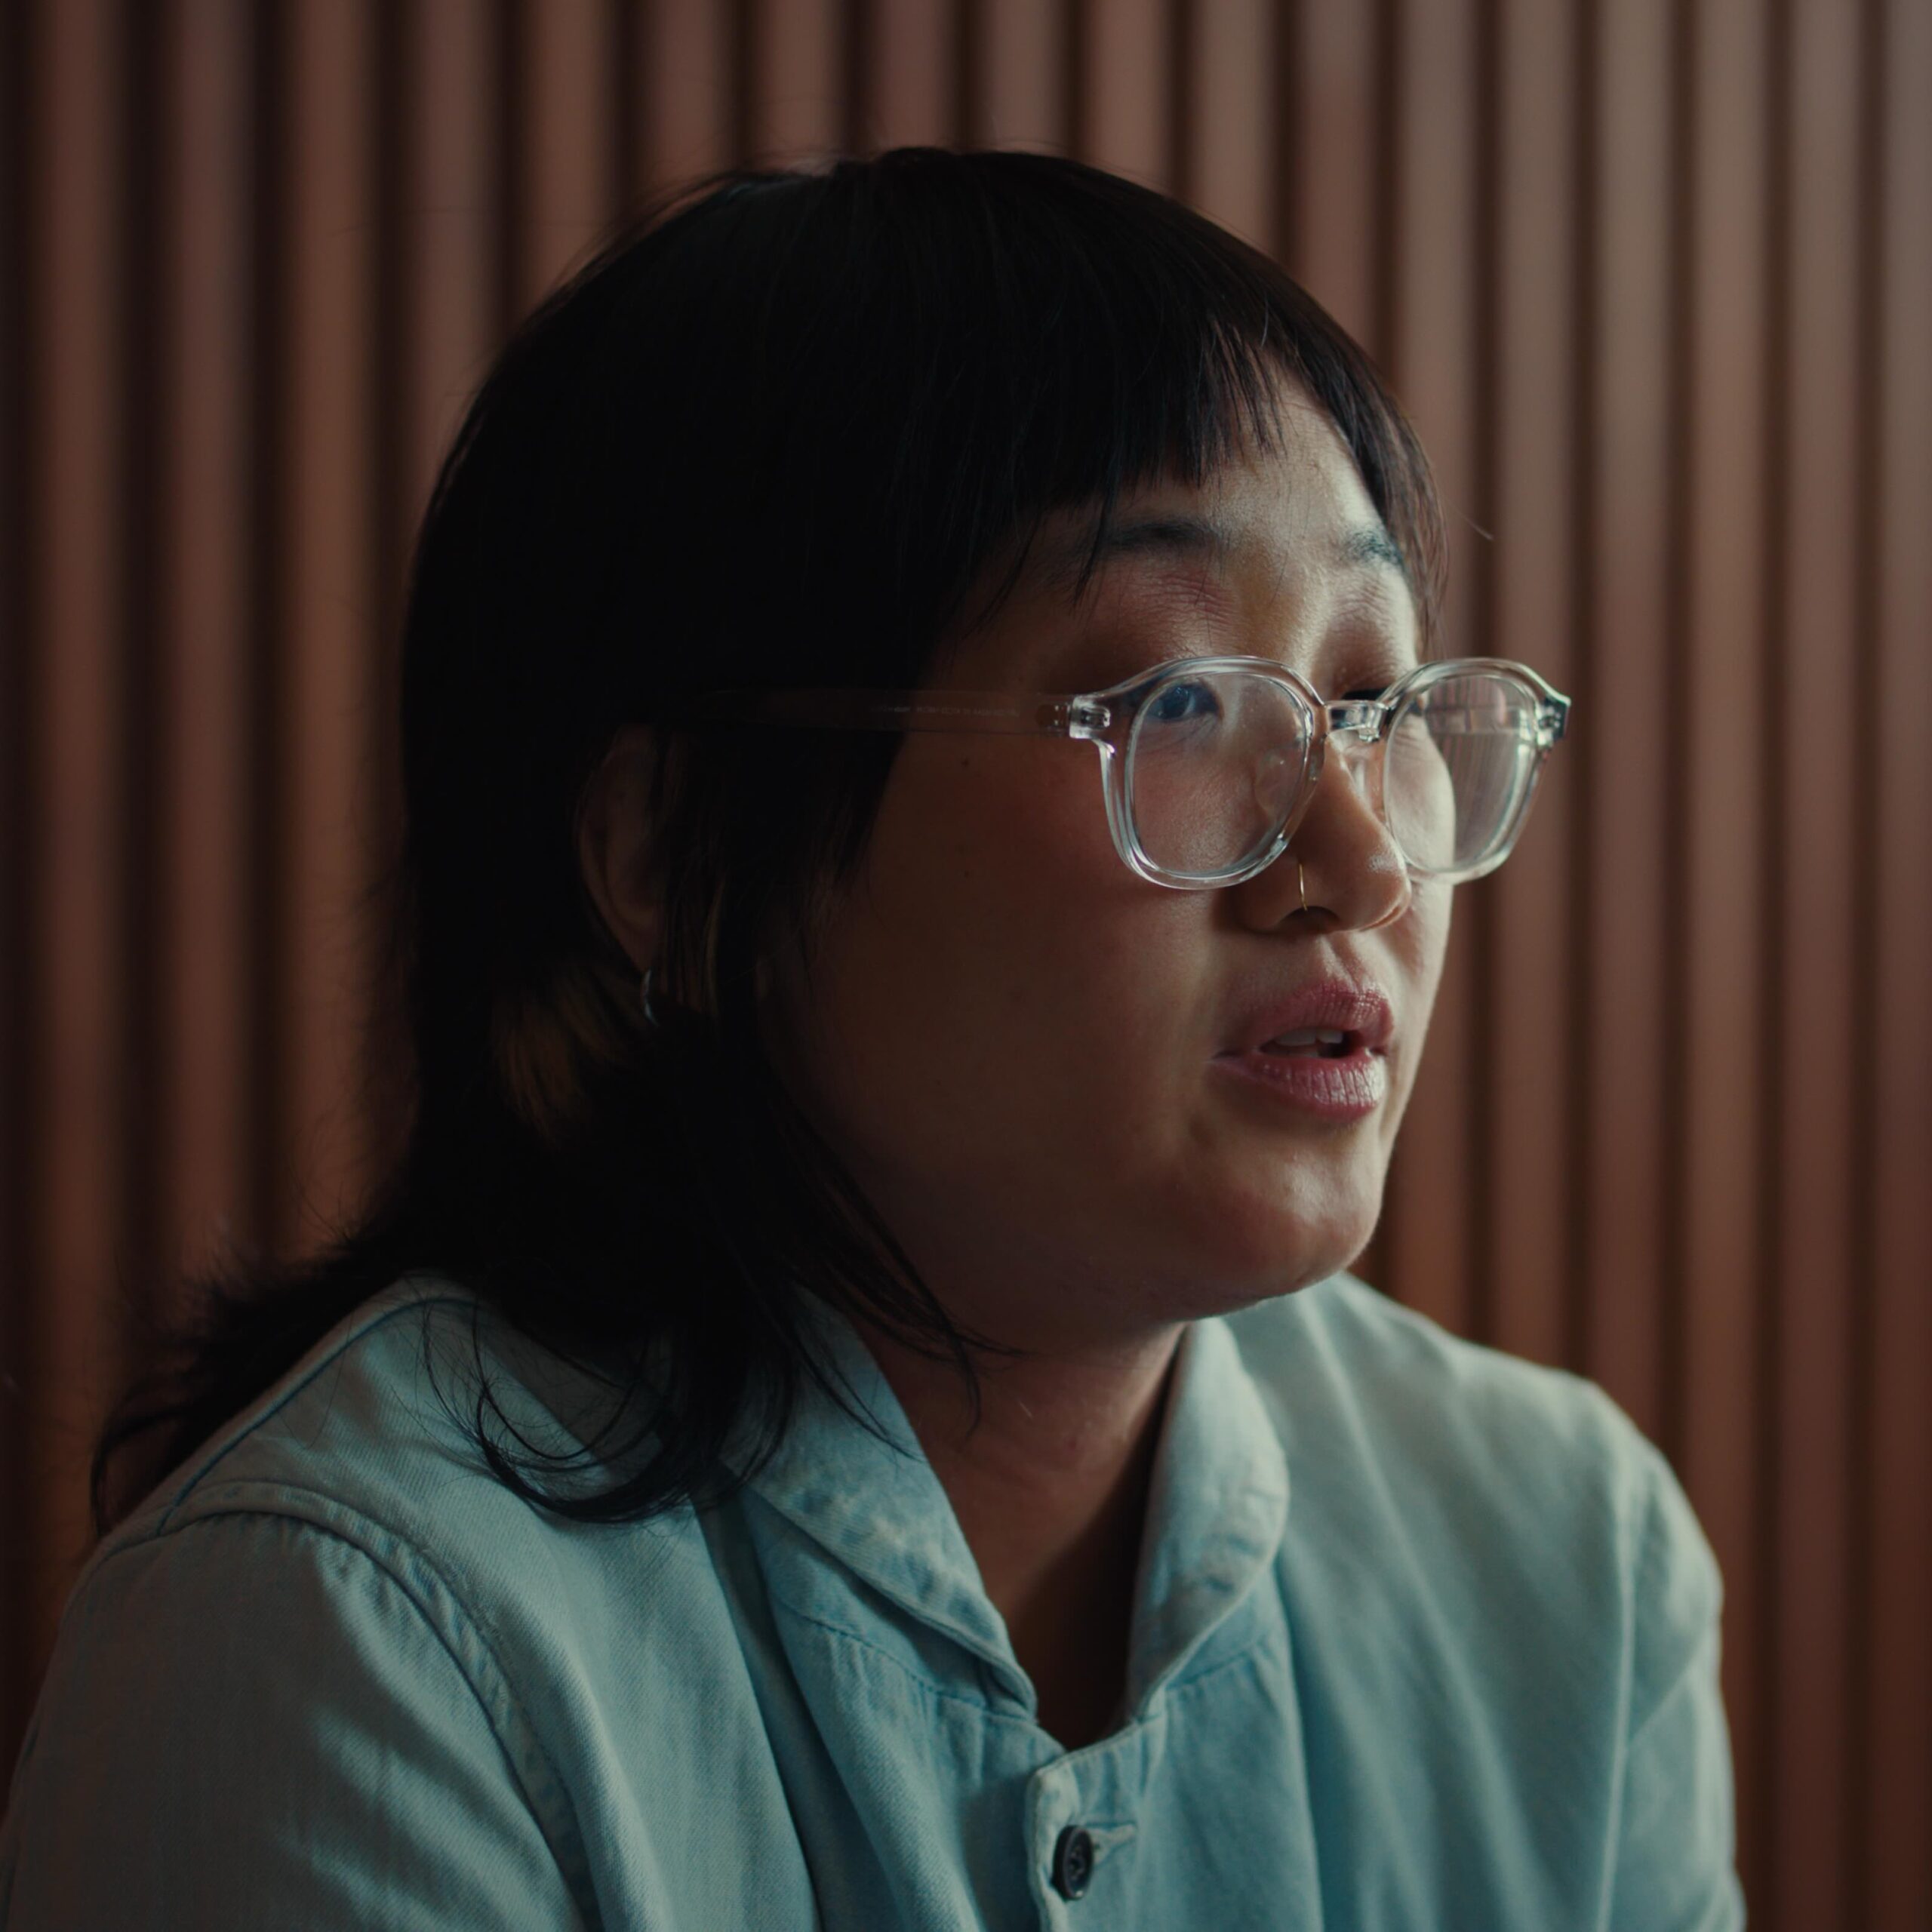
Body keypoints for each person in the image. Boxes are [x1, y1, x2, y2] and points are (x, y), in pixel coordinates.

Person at [0, 149, 1742, 1929]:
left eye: (1369, 701)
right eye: (1178, 702)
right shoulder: (356, 1636)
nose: (1357, 856)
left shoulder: (1558, 1561)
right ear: (675, 854)